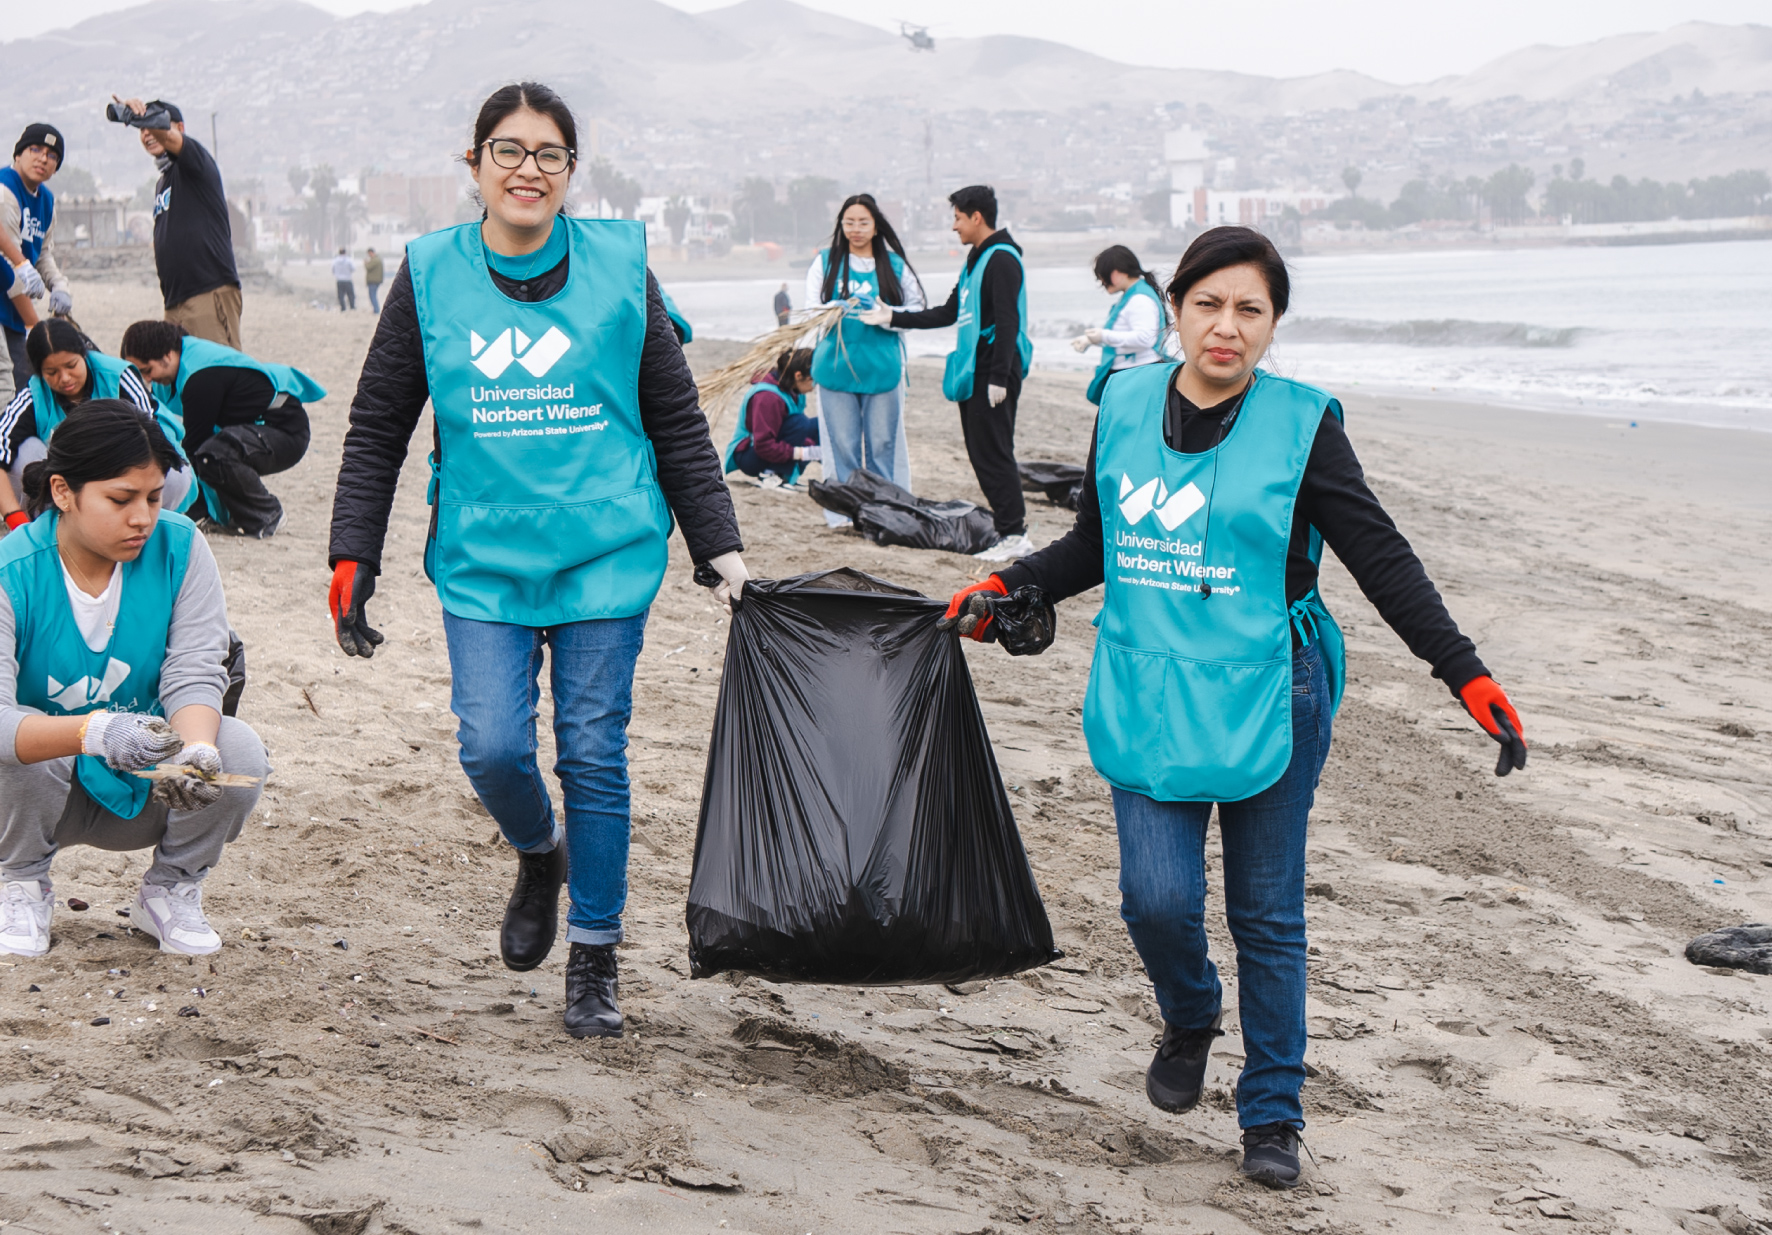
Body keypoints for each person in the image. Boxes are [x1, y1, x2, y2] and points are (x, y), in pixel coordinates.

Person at [939, 226, 1528, 1190]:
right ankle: (1191, 1010)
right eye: (1208, 303)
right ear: (1173, 310)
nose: (1226, 326)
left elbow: (1381, 558)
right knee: (1156, 898)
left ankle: (1272, 1113)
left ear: (1274, 324)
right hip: (1149, 684)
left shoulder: (1304, 427)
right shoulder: (1123, 402)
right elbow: (1099, 542)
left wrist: (1461, 671)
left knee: (1268, 913)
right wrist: (1012, 586)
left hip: (1274, 690)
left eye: (1249, 308)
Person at [327, 81, 748, 1041]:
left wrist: (717, 545)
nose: (528, 169)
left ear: (570, 171)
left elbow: (675, 420)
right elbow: (380, 423)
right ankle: (539, 848)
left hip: (607, 550)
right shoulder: (430, 272)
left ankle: (595, 955)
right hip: (483, 554)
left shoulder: (620, 267)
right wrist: (354, 553)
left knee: (594, 750)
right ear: (472, 165)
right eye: (508, 151)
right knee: (494, 746)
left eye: (548, 154)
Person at [0, 401, 269, 959]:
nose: (143, 517)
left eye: (152, 497)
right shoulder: (12, 572)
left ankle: (170, 888)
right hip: (35, 792)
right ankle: (20, 883)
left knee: (237, 750)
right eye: (120, 500)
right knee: (24, 738)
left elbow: (195, 670)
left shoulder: (180, 547)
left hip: (145, 778)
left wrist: (196, 749)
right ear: (62, 492)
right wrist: (93, 733)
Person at [864, 184, 1032, 562]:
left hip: (994, 372)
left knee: (995, 452)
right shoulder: (975, 259)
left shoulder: (1002, 259)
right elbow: (948, 312)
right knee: (979, 452)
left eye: (957, 217)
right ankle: (1009, 530)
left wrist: (999, 378)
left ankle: (1015, 532)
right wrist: (892, 316)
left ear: (977, 217)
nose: (954, 226)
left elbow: (1008, 322)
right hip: (976, 370)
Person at [121, 321, 321, 538]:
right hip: (251, 430)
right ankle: (230, 516)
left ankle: (268, 513)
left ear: (167, 355)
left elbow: (191, 450)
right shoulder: (177, 365)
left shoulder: (200, 377)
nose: (147, 380)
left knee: (212, 455)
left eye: (147, 370)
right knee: (207, 452)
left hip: (284, 431)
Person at [0, 319, 196, 522]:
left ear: (84, 354)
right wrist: (14, 518)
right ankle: (50, 527)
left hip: (126, 468)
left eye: (71, 365)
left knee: (174, 475)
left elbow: (147, 437)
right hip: (70, 486)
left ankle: (144, 526)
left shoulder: (119, 378)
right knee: (24, 450)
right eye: (52, 372)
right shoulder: (34, 395)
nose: (65, 378)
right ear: (40, 373)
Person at [804, 194, 922, 523]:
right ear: (840, 226)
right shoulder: (825, 262)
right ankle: (845, 515)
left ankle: (889, 511)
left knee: (885, 443)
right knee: (842, 443)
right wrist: (834, 309)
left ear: (875, 226)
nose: (856, 229)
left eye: (863, 222)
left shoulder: (894, 265)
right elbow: (810, 309)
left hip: (883, 368)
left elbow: (917, 309)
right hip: (835, 369)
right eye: (849, 222)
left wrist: (889, 314)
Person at [107, 97, 243, 349]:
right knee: (180, 384)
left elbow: (169, 140)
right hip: (174, 301)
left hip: (207, 292)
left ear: (179, 128)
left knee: (217, 377)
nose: (147, 133)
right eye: (142, 130)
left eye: (154, 126)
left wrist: (139, 117)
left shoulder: (196, 164)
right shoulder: (163, 182)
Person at [1, 124, 73, 392]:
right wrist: (34, 324)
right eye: (35, 149)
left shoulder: (46, 201)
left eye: (52, 155)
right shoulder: (5, 191)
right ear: (18, 154)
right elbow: (7, 265)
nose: (43, 158)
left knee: (25, 387)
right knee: (8, 389)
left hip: (16, 313)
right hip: (8, 306)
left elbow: (42, 253)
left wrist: (59, 286)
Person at [1073, 245, 1169, 406]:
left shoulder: (1140, 299)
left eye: (1101, 277)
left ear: (1115, 274)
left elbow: (1145, 338)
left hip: (1138, 374)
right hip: (1135, 372)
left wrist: (1103, 336)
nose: (1101, 283)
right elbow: (1126, 335)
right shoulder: (1135, 294)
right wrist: (1092, 340)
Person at [723, 347, 820, 484]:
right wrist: (803, 452)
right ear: (798, 376)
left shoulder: (795, 390)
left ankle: (786, 475)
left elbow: (797, 434)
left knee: (819, 425)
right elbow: (763, 445)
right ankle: (771, 475)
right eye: (814, 380)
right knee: (800, 422)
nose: (815, 386)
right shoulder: (767, 397)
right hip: (750, 455)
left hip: (770, 446)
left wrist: (811, 448)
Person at [364, 247, 384, 313]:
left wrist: (365, 263)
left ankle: (376, 310)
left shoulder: (375, 260)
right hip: (376, 280)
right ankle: (376, 309)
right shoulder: (377, 259)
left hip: (373, 281)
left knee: (372, 295)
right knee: (373, 295)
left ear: (371, 253)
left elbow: (368, 267)